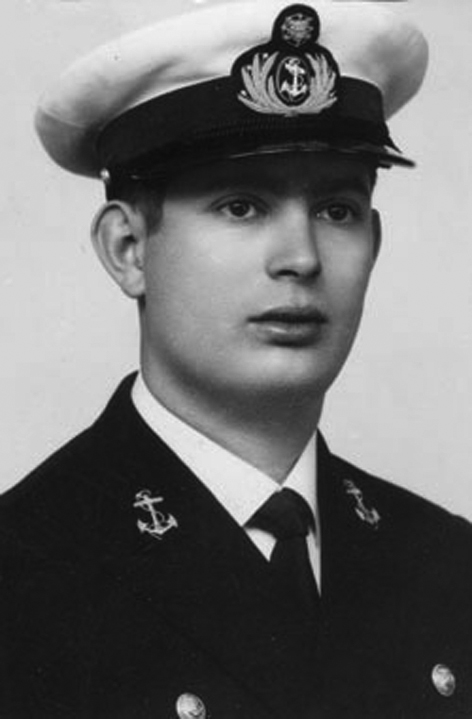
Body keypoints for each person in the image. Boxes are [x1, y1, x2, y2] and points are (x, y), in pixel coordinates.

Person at [2, 2, 472, 718]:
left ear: (374, 245)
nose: (302, 258)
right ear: (129, 250)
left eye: (337, 210)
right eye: (242, 206)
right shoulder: (23, 571)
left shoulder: (448, 563)